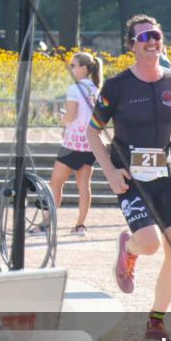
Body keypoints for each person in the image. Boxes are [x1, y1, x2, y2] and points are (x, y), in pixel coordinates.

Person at [87, 15, 171, 341]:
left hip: (163, 173)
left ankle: (156, 321)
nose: (151, 41)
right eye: (143, 37)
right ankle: (129, 248)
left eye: (155, 35)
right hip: (129, 175)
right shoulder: (116, 86)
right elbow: (92, 132)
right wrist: (110, 172)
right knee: (150, 243)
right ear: (131, 45)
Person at [46, 52, 103, 235]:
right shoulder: (96, 89)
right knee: (84, 185)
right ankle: (80, 225)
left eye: (73, 65)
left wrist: (62, 118)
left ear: (84, 68)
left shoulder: (74, 89)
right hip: (90, 144)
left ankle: (47, 223)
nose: (71, 68)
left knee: (55, 183)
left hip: (72, 143)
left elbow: (71, 116)